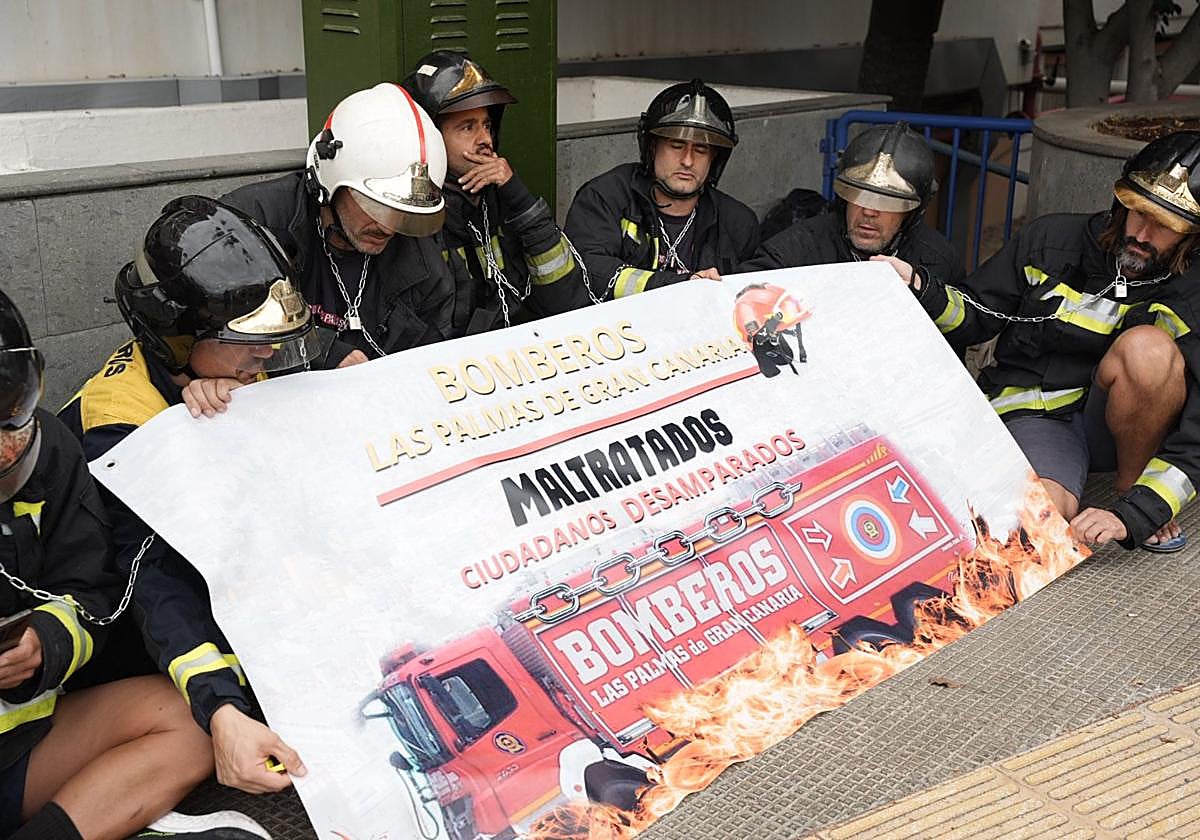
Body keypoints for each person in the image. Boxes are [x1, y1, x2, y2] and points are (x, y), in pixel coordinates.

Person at [59, 196, 321, 797]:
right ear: (178, 339)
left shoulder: (213, 375)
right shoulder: (116, 422)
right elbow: (152, 579)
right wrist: (222, 710)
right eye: (246, 340)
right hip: (126, 636)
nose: (269, 354)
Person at [0, 288, 268, 840]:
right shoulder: (112, 417)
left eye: (10, 417)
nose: (6, 448)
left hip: (19, 735)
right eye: (245, 337)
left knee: (190, 725)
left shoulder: (45, 444)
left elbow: (91, 592)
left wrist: (44, 642)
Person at [913, 131, 1200, 553]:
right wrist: (921, 287)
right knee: (1035, 518)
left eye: (1166, 226)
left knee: (1148, 350)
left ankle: (1129, 487)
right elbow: (975, 315)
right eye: (1137, 211)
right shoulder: (1052, 239)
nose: (1142, 232)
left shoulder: (1195, 289)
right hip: (1043, 414)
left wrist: (1142, 509)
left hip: (1133, 426)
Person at [222, 82, 454, 368]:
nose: (388, 227)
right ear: (329, 183)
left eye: (402, 213)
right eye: (374, 205)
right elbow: (215, 335)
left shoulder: (424, 266)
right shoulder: (253, 226)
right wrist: (322, 350)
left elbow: (433, 364)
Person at [401, 51, 590, 334]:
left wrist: (520, 199)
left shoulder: (502, 198)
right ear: (431, 137)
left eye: (487, 125)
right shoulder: (412, 218)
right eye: (468, 127)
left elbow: (568, 300)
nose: (486, 140)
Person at [564, 79, 759, 301]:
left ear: (714, 159)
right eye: (676, 146)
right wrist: (682, 285)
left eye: (701, 149)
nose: (687, 160)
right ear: (653, 147)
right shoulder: (604, 198)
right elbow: (589, 273)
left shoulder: (739, 223)